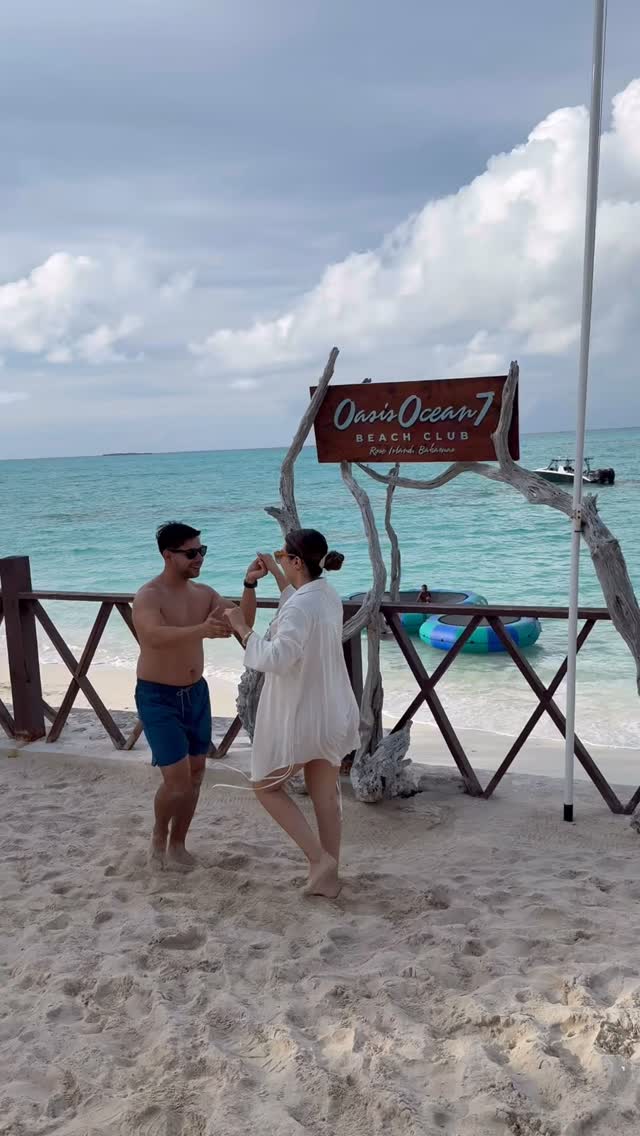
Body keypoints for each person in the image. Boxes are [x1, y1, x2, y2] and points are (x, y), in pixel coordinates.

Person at [224, 529, 361, 899]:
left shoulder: (303, 605)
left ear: (298, 561)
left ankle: (319, 860)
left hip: (302, 715)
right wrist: (274, 571)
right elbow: (297, 603)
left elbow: (277, 657)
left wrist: (241, 626)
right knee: (325, 797)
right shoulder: (325, 595)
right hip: (331, 712)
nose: (280, 558)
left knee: (265, 787)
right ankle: (328, 877)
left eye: (284, 555)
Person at [132, 521, 265, 868]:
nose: (199, 558)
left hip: (196, 695)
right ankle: (159, 837)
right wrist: (202, 630)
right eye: (191, 553)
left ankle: (178, 844)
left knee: (196, 776)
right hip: (157, 696)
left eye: (201, 551)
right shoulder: (149, 595)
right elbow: (151, 636)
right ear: (167, 555)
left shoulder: (203, 593)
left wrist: (249, 584)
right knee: (176, 783)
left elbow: (243, 622)